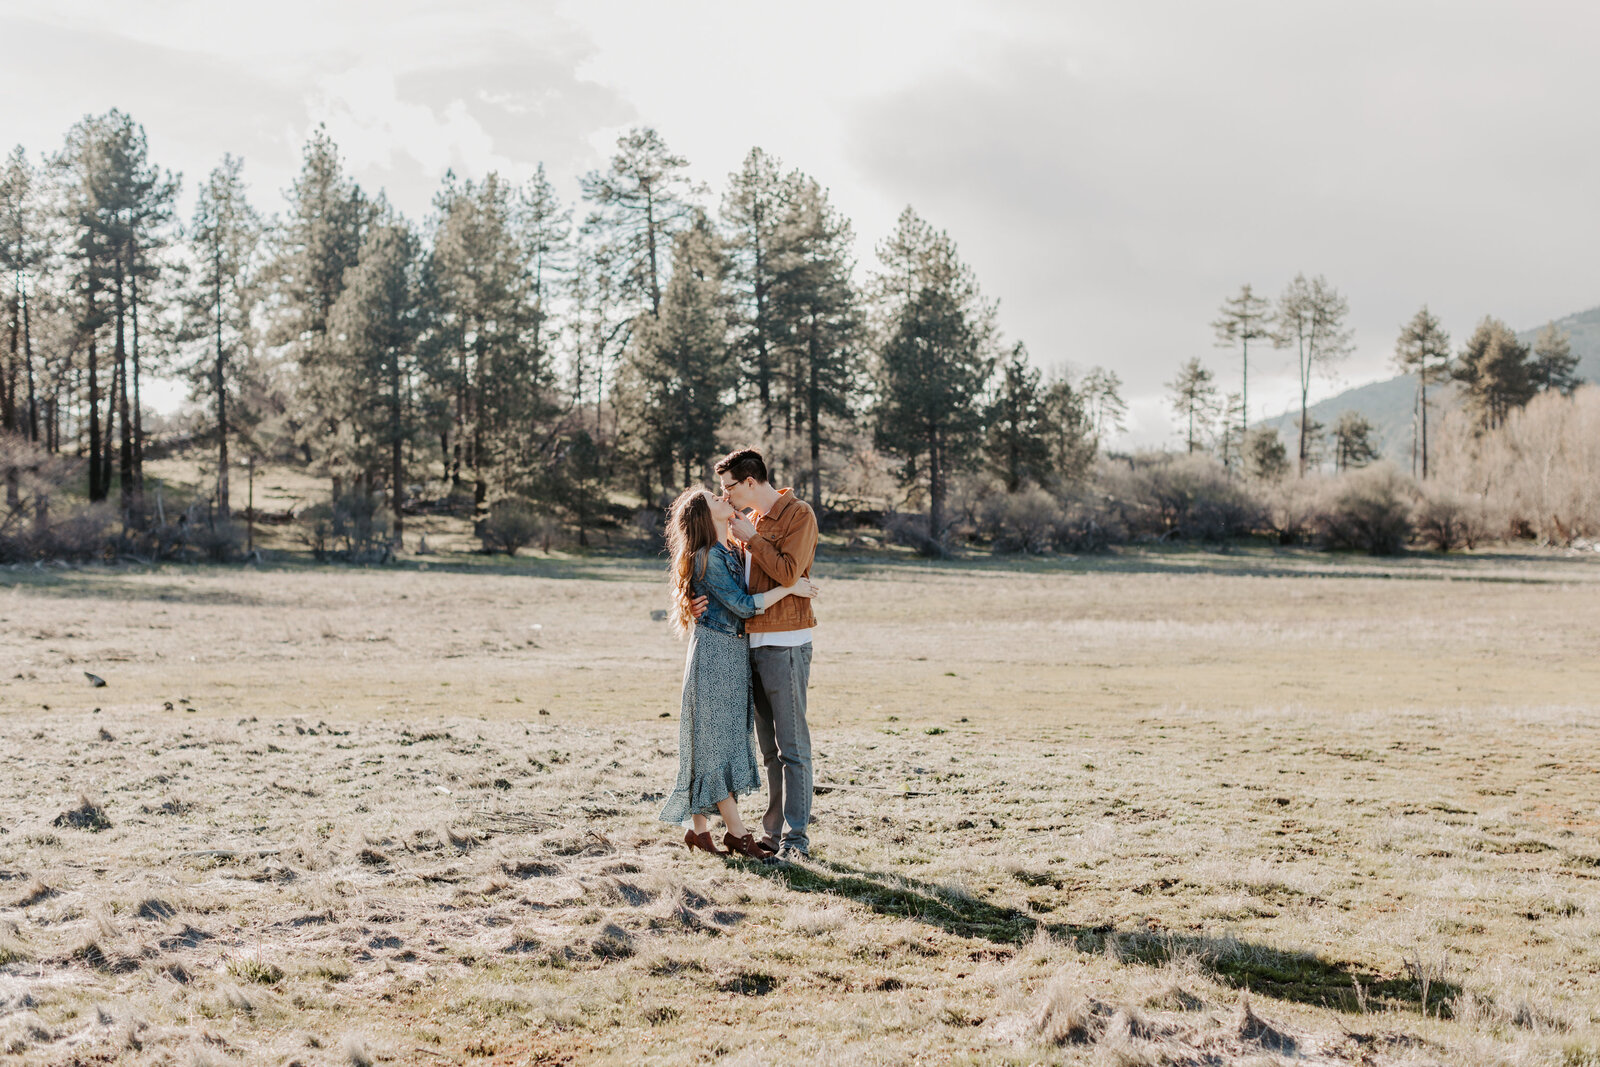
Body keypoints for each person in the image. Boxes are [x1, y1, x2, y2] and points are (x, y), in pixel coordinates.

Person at [660, 486, 817, 859]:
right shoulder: (708, 556)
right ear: (704, 515)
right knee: (714, 742)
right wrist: (790, 588)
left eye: (725, 492)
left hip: (735, 653)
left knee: (714, 741)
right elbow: (745, 606)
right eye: (717, 498)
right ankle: (738, 833)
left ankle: (700, 830)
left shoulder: (731, 546)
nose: (724, 498)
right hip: (716, 654)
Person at [715, 449, 819, 860]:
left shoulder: (799, 515)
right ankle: (772, 833)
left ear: (751, 482)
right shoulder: (750, 521)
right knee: (770, 751)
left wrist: (752, 541)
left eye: (729, 487)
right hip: (751, 642)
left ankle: (797, 840)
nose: (725, 495)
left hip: (787, 641)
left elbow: (790, 572)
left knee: (793, 747)